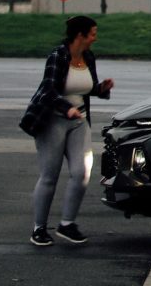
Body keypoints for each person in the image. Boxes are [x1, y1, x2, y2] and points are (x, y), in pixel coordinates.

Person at [19, 15, 114, 247]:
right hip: (53, 119)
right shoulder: (58, 56)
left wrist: (102, 89)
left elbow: (86, 88)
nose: (95, 37)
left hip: (79, 120)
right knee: (49, 175)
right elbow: (48, 90)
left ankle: (67, 224)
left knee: (82, 172)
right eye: (92, 33)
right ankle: (39, 228)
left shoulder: (88, 57)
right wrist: (66, 108)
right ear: (79, 35)